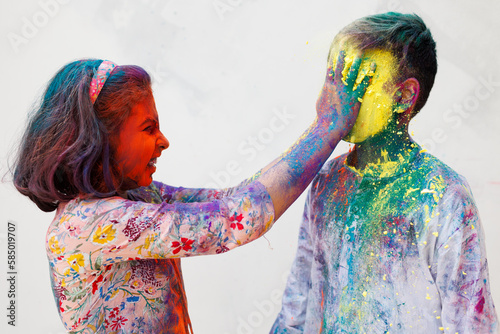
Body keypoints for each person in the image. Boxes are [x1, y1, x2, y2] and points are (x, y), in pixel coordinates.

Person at [12, 53, 373, 333]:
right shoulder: (92, 224)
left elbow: (234, 199)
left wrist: (322, 138)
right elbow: (237, 220)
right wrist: (328, 127)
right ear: (99, 138)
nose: (163, 141)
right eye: (148, 128)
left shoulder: (138, 198)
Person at [271, 12, 498, 334]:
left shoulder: (443, 195)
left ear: (404, 96)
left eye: (357, 82)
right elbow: (299, 297)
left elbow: (471, 321)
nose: (339, 99)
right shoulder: (325, 182)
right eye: (333, 77)